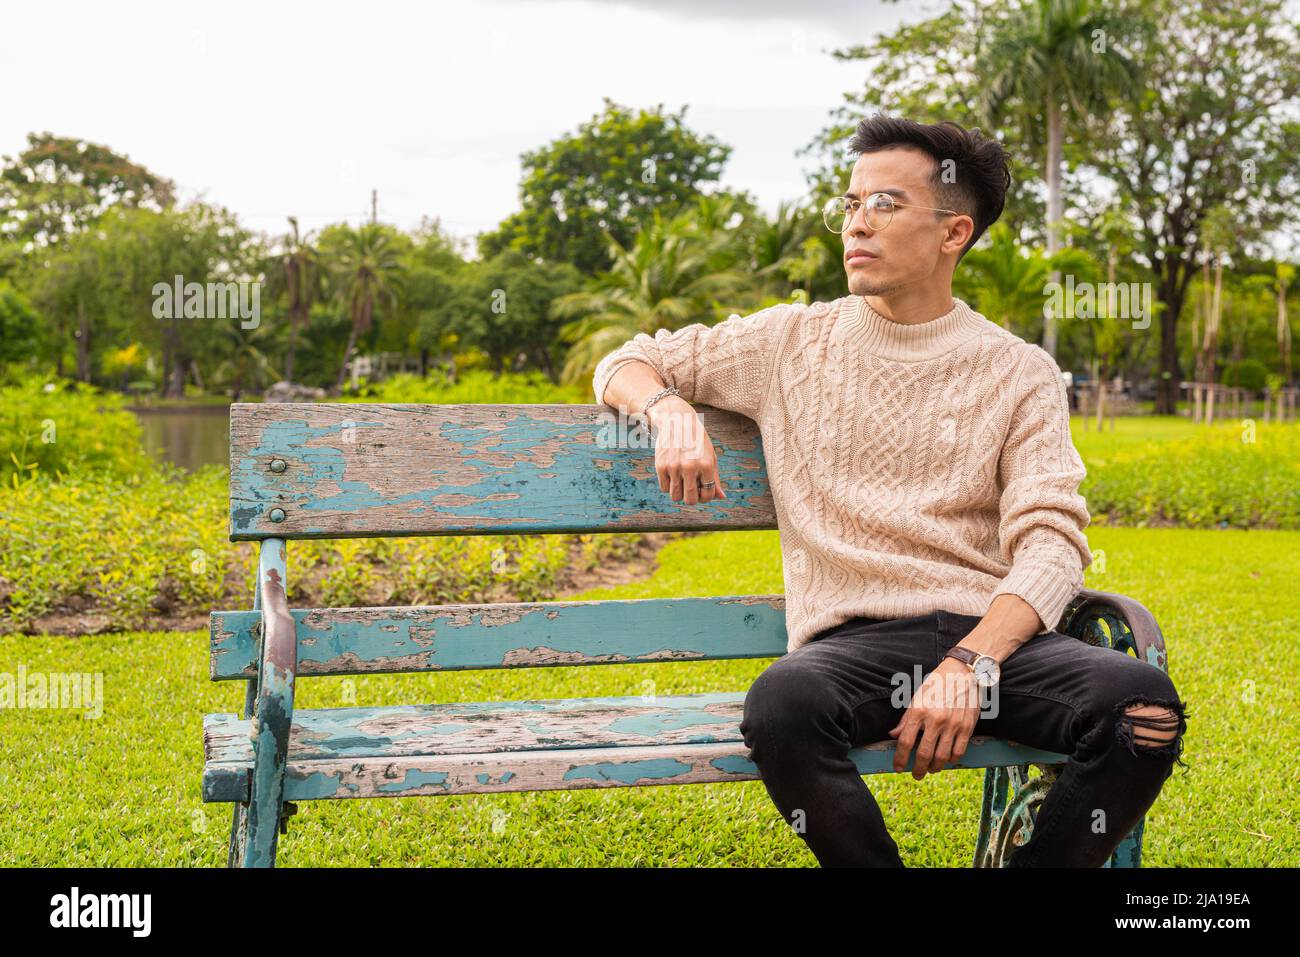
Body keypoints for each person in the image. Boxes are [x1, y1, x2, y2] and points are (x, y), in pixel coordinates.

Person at [592, 113, 1188, 867]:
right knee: (782, 705)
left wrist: (972, 663)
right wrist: (665, 407)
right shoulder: (789, 342)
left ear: (953, 233)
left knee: (1143, 708)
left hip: (995, 638)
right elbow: (628, 357)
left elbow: (1051, 540)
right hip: (853, 645)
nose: (856, 224)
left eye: (884, 204)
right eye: (850, 203)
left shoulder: (1019, 369)